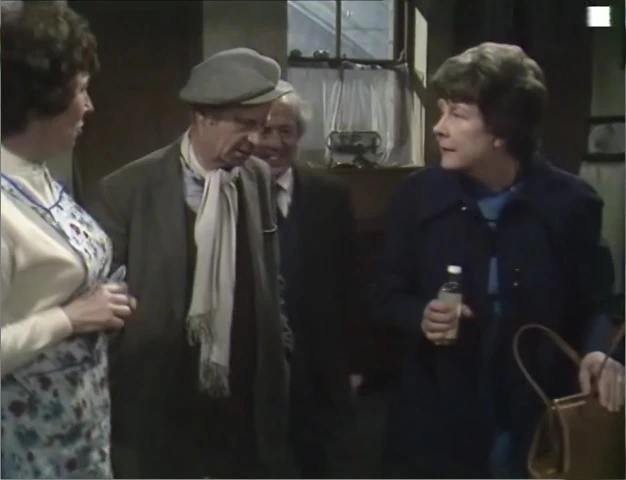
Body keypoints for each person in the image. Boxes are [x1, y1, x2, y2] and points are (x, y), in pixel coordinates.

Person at [373, 42, 625, 479]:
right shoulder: (417, 196)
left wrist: (599, 353)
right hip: (437, 419)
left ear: (502, 131)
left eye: (458, 115)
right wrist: (421, 315)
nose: (439, 128)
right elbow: (384, 294)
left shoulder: (571, 203)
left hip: (536, 418)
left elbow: (600, 302)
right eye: (441, 111)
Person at [87, 47, 294, 479]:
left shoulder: (255, 177)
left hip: (243, 395)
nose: (257, 140)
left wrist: (280, 348)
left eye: (262, 126)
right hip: (162, 401)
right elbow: (101, 305)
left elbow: (269, 275)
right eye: (245, 124)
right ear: (204, 117)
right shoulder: (127, 190)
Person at [0, 2, 136, 478]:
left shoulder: (35, 174)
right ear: (40, 99)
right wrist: (70, 318)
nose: (90, 105)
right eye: (81, 90)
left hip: (77, 429)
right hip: (26, 443)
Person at [254, 80, 361, 478]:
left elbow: (351, 283)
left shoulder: (329, 194)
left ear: (299, 136)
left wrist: (354, 365)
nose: (274, 143)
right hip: (252, 373)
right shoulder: (222, 194)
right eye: (264, 129)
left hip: (319, 370)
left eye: (286, 131)